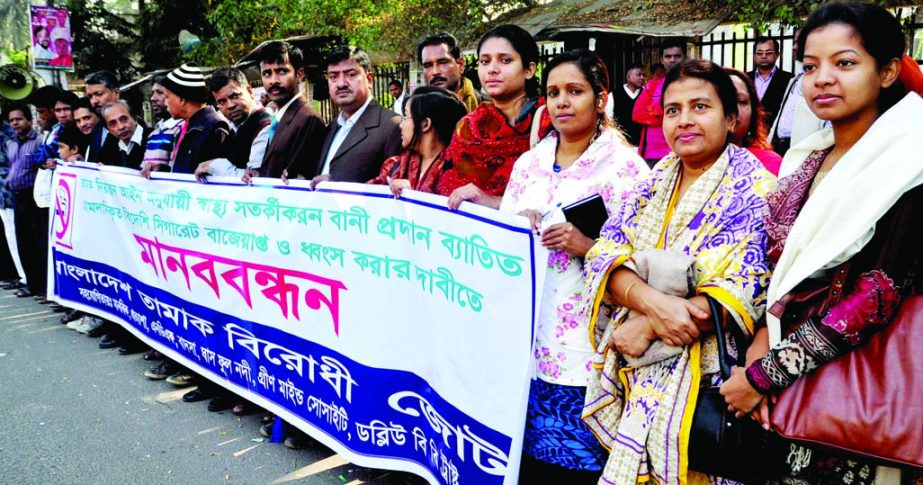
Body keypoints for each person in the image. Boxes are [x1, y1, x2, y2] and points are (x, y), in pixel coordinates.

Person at [719, 4, 923, 484]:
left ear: (889, 70)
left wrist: (764, 376)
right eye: (810, 67)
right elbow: (782, 266)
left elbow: (878, 294)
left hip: (860, 393)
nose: (823, 79)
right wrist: (762, 342)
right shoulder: (806, 158)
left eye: (845, 63)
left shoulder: (909, 158)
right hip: (783, 385)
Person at [581, 59, 774, 484]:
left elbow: (743, 288)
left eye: (700, 107)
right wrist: (651, 305)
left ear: (731, 117)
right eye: (672, 110)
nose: (684, 120)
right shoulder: (653, 183)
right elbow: (604, 253)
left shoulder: (756, 191)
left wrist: (648, 325)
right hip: (640, 372)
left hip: (707, 381)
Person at [501, 49, 648, 483]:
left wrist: (587, 245)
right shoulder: (529, 164)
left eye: (575, 91)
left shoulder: (626, 169)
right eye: (553, 93)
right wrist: (516, 227)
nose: (562, 102)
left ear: (600, 99)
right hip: (530, 330)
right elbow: (498, 238)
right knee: (529, 461)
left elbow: (642, 255)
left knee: (579, 463)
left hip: (588, 339)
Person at [436, 24, 552, 209]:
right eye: (485, 61)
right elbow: (447, 193)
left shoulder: (552, 121)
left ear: (529, 70)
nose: (492, 69)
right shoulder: (468, 127)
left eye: (505, 61)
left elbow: (564, 193)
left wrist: (494, 203)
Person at [312, 45, 401, 184]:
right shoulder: (330, 128)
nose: (341, 84)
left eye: (351, 74)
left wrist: (339, 186)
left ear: (369, 79)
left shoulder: (393, 126)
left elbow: (394, 189)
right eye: (333, 77)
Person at [247, 41, 328, 181]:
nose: (273, 80)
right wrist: (257, 173)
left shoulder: (308, 119)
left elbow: (300, 180)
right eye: (267, 73)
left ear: (299, 74)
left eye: (281, 71)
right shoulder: (279, 119)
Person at [368, 86, 468, 195]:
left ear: (425, 124)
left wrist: (412, 196)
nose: (401, 125)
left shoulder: (459, 172)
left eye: (405, 116)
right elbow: (365, 198)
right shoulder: (395, 167)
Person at [3, 104, 46, 302]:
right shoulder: (10, 144)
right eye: (12, 120)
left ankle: (45, 287)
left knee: (39, 242)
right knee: (24, 243)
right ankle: (32, 284)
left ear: (29, 120)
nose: (15, 123)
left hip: (34, 197)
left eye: (19, 119)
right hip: (17, 197)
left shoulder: (39, 141)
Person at [197, 68, 272, 179]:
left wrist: (212, 166)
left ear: (250, 92)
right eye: (222, 102)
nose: (230, 105)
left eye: (235, 96)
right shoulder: (236, 126)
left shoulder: (265, 127)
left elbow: (254, 179)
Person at [159, 63, 233, 175]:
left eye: (167, 97)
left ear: (182, 98)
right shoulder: (186, 129)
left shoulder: (214, 128)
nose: (165, 103)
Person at [633, 39, 687, 167]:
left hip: (684, 150)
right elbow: (637, 114)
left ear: (684, 58)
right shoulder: (652, 85)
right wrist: (671, 114)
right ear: (662, 60)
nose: (672, 60)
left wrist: (657, 112)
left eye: (677, 56)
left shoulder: (695, 84)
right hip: (653, 153)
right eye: (668, 56)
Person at [726, 68, 783, 174]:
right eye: (723, 99)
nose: (732, 108)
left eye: (741, 101)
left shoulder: (768, 164)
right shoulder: (687, 161)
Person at [417, 32, 481, 112]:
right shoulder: (417, 111)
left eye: (443, 62)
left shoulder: (489, 108)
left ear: (460, 65)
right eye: (428, 65)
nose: (435, 72)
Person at [140, 75, 183, 176]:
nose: (152, 98)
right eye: (152, 93)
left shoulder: (182, 129)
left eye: (160, 93)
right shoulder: (153, 134)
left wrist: (160, 169)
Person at [749, 37, 794, 129]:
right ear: (754, 56)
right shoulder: (745, 78)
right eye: (759, 53)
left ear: (778, 55)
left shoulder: (789, 79)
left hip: (775, 135)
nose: (764, 56)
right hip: (748, 133)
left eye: (769, 53)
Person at [84, 71, 124, 164]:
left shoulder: (132, 126)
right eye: (90, 96)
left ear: (116, 93)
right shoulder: (97, 127)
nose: (94, 101)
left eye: (99, 94)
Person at [100, 101, 149, 169]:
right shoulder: (109, 148)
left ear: (134, 118)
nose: (121, 127)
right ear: (108, 129)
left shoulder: (154, 138)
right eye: (113, 123)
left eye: (124, 119)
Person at [606, 64, 646, 145]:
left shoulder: (647, 94)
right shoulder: (614, 95)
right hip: (620, 144)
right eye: (638, 75)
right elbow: (607, 120)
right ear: (628, 77)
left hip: (642, 145)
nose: (642, 78)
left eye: (643, 75)